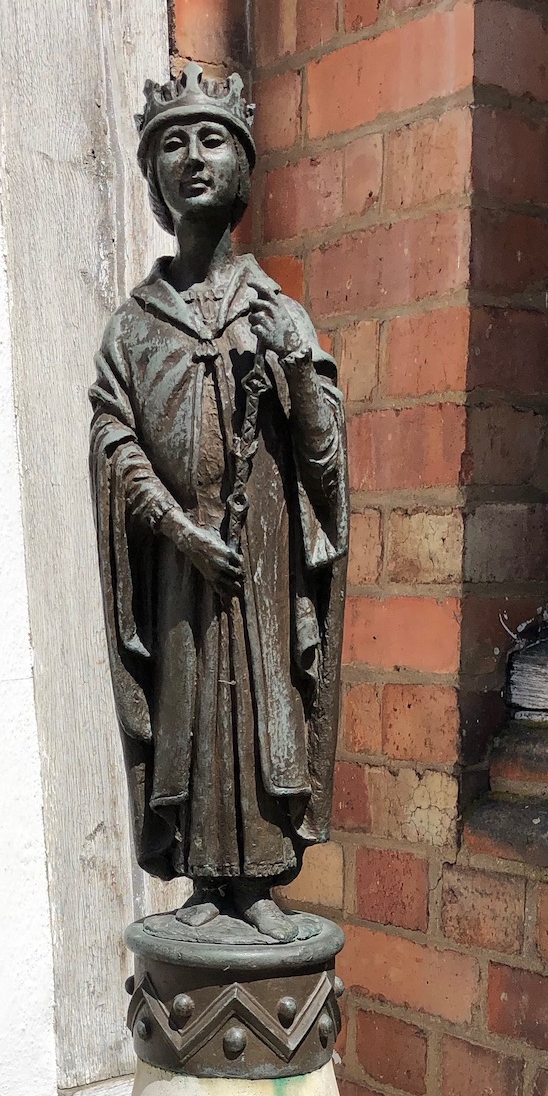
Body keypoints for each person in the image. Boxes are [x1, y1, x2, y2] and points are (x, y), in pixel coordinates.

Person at [90, 65, 348, 942]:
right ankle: (203, 879)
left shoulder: (277, 310)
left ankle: (261, 881)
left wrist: (298, 368)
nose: (192, 158)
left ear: (242, 168)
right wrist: (177, 528)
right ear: (152, 179)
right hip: (178, 562)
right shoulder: (133, 328)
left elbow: (326, 464)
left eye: (211, 140)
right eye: (172, 144)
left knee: (263, 696)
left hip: (263, 563)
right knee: (190, 703)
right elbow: (113, 440)